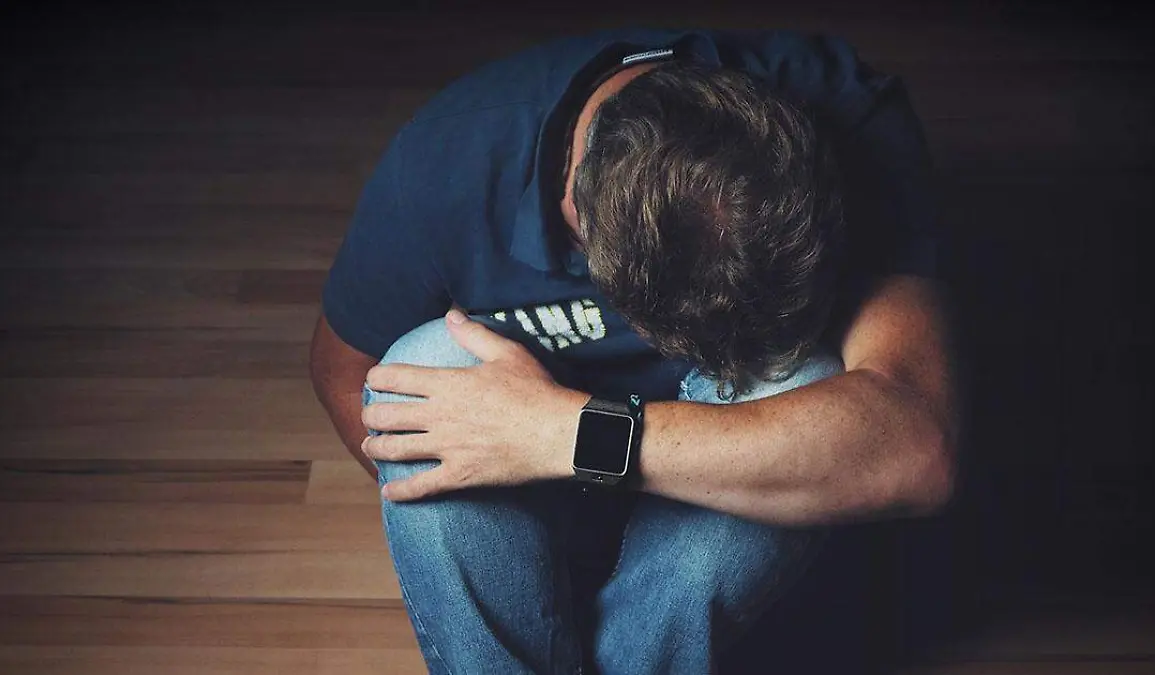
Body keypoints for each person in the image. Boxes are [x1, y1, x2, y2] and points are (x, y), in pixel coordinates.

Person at [310, 26, 957, 674]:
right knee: (427, 366)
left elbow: (916, 449)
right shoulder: (444, 165)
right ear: (577, 221)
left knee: (804, 377)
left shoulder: (851, 117)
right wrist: (521, 540)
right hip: (535, 468)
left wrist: (570, 435)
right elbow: (344, 371)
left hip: (663, 475)